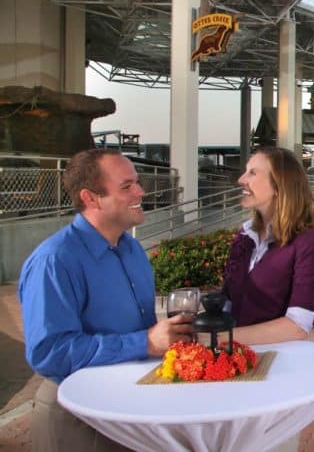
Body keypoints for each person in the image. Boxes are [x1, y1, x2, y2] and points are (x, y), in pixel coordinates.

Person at [18, 149, 193, 452]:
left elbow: (141, 330)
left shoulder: (132, 249)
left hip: (129, 408)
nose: (140, 192)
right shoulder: (55, 260)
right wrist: (145, 343)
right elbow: (49, 352)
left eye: (137, 183)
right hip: (77, 417)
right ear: (91, 198)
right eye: (127, 186)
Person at [221, 147, 314, 345]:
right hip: (234, 357)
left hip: (275, 359)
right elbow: (227, 302)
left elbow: (298, 326)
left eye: (252, 173)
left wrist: (218, 339)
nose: (241, 179)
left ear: (279, 186)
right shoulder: (244, 236)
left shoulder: (307, 243)